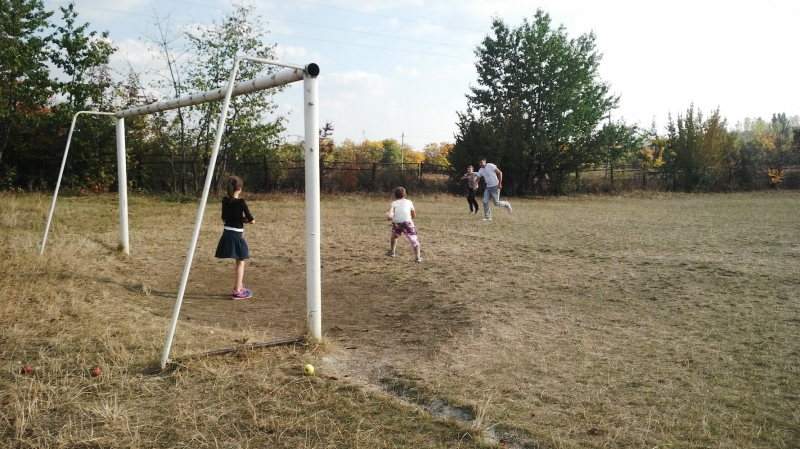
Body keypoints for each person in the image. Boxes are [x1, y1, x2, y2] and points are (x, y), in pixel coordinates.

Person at [215, 175, 255, 299]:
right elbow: (251, 220)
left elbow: (224, 218)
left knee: (239, 260)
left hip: (226, 233)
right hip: (236, 235)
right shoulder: (241, 202)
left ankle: (239, 286)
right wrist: (246, 220)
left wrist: (238, 218)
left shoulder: (225, 201)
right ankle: (238, 291)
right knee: (241, 261)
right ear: (239, 188)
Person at [385, 186, 422, 262]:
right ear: (405, 195)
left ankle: (392, 252)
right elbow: (414, 215)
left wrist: (390, 216)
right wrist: (409, 218)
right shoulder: (409, 202)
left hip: (397, 223)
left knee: (394, 236)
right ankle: (418, 256)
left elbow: (390, 213)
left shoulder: (394, 203)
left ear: (395, 196)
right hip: (407, 223)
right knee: (413, 239)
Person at [476, 156, 512, 221]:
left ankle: (507, 204)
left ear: (485, 162)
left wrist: (499, 183)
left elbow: (500, 173)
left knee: (496, 203)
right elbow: (477, 179)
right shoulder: (480, 170)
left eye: (481, 162)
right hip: (488, 187)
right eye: (479, 163)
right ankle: (488, 217)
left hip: (495, 186)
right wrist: (475, 185)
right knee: (485, 201)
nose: (480, 164)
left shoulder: (490, 166)